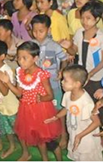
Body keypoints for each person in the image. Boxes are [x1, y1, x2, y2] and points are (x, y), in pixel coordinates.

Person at [0, 41, 62, 161]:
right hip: (26, 110)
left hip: (41, 110)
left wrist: (41, 98)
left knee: (48, 140)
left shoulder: (41, 74)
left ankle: (59, 159)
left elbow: (50, 95)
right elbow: (19, 93)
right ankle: (44, 159)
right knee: (37, 138)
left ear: (35, 58)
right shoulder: (20, 72)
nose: (20, 61)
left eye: (24, 58)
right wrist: (8, 82)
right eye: (19, 58)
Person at [45, 64, 103, 161]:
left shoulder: (86, 102)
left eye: (65, 80)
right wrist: (56, 116)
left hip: (86, 138)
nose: (62, 82)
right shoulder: (68, 94)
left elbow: (97, 122)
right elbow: (67, 108)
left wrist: (80, 136)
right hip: (74, 134)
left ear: (77, 84)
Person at [31, 14, 69, 148]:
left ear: (48, 30)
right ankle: (47, 133)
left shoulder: (54, 46)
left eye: (41, 31)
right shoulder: (32, 45)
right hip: (38, 85)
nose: (37, 34)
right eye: (34, 31)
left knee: (58, 109)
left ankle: (63, 134)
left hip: (53, 83)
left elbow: (64, 59)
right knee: (43, 110)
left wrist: (62, 71)